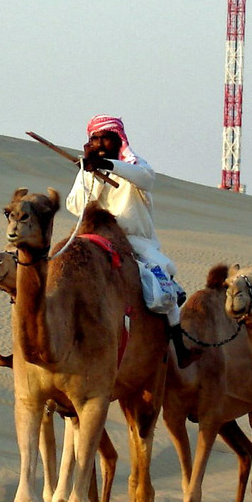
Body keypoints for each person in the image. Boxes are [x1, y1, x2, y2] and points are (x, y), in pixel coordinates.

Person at [67, 114, 200, 368]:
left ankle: (179, 348)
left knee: (165, 288)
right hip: (96, 237)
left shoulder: (136, 166)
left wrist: (108, 165)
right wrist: (89, 173)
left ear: (118, 140)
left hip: (136, 243)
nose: (100, 143)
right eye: (95, 139)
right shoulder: (89, 169)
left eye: (106, 138)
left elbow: (147, 179)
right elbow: (75, 206)